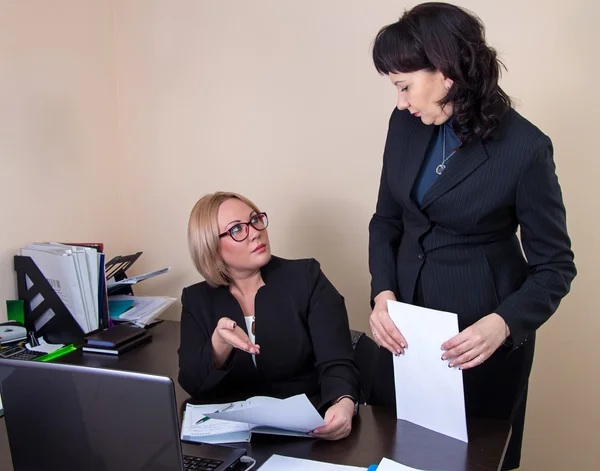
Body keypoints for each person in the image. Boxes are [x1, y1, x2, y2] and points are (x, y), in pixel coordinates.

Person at [367, 3, 576, 468]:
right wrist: (381, 293)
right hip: (404, 333)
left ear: (446, 73)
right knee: (393, 453)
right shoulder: (404, 123)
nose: (401, 101)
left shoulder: (525, 149)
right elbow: (386, 220)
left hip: (477, 342)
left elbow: (555, 268)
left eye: (405, 85)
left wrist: (502, 325)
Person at [178, 191, 359, 440]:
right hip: (234, 439)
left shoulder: (306, 277)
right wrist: (218, 345)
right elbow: (192, 384)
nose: (254, 232)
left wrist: (344, 404)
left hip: (308, 430)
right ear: (211, 247)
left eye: (254, 220)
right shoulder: (196, 299)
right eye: (236, 230)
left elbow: (337, 362)